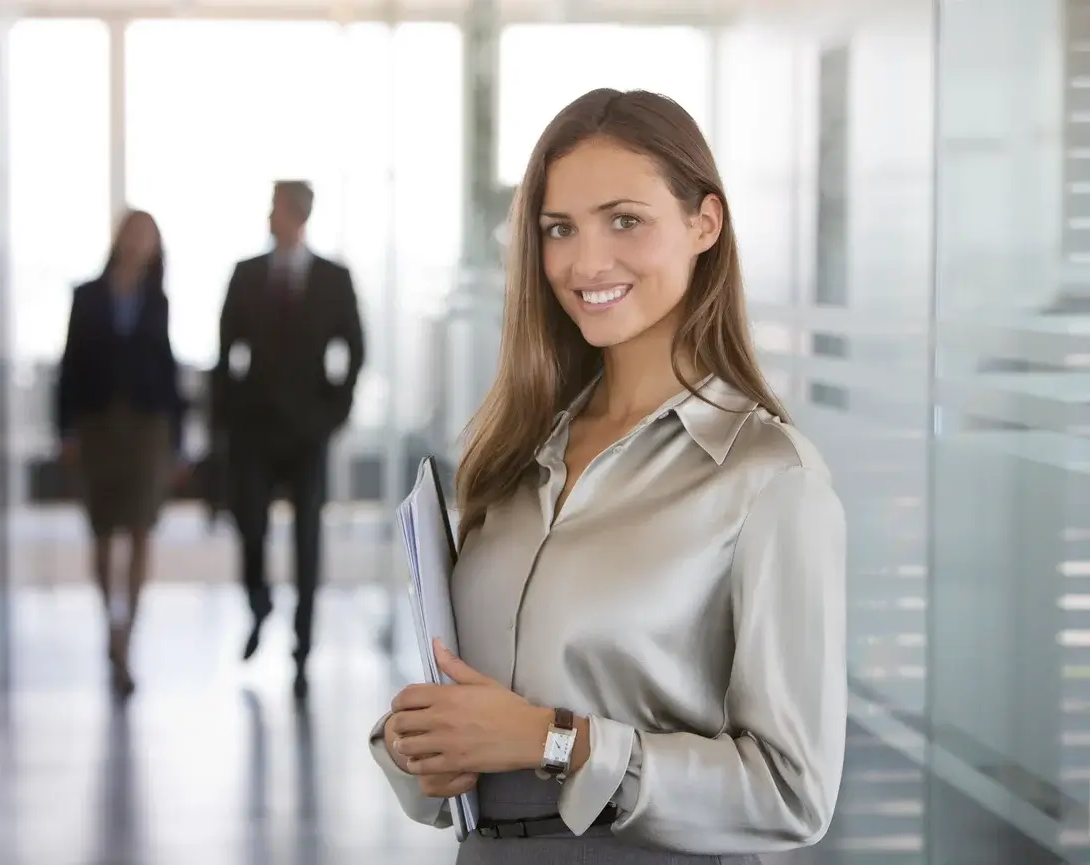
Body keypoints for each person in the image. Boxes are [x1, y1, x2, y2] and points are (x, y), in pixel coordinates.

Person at [368, 88, 847, 863]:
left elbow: (792, 792)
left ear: (704, 223)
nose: (585, 262)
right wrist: (413, 737)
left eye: (624, 220)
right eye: (560, 229)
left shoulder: (767, 477)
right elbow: (465, 717)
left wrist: (555, 743)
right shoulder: (516, 456)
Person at [209, 180, 365, 700]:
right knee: (250, 524)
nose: (274, 216)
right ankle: (259, 605)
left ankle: (303, 646)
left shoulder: (333, 278)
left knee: (306, 541)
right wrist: (225, 417)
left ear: (300, 214)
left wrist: (333, 413)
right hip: (254, 428)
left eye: (281, 208)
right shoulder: (247, 274)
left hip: (307, 431)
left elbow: (355, 351)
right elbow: (226, 350)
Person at [56, 209, 186, 697]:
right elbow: (69, 366)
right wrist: (65, 429)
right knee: (103, 530)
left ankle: (126, 635)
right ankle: (108, 625)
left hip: (147, 429)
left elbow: (167, 369)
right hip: (97, 427)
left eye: (147, 236)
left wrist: (178, 441)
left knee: (140, 527)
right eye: (133, 233)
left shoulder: (158, 300)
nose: (138, 243)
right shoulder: (88, 296)